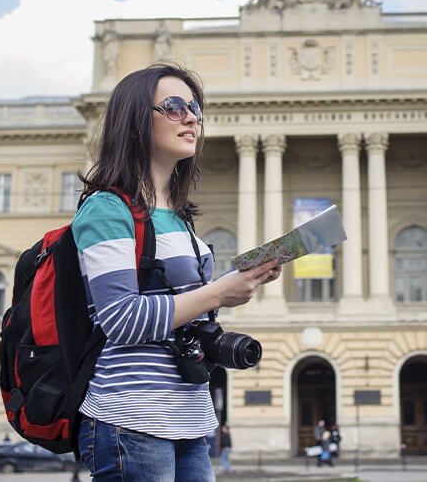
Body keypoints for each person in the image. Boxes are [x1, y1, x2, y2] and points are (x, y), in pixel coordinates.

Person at [74, 64, 282, 482]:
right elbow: (121, 321)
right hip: (132, 417)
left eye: (193, 108)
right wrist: (218, 293)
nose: (190, 117)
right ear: (134, 123)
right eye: (173, 107)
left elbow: (181, 314)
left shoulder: (178, 217)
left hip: (187, 416)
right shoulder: (107, 209)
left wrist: (237, 287)